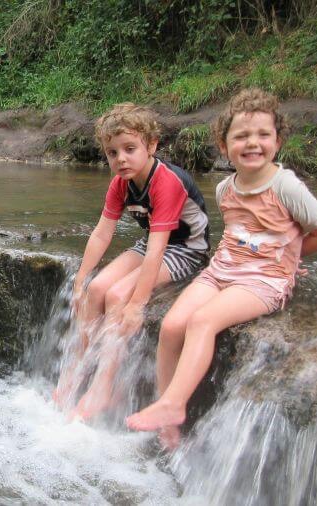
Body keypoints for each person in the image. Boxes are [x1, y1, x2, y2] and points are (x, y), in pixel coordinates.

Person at [125, 88, 317, 448]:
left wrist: (288, 261)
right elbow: (237, 235)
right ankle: (166, 410)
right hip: (221, 270)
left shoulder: (285, 186)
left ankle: (175, 405)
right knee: (173, 324)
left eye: (263, 135)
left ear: (278, 141)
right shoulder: (225, 189)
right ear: (224, 146)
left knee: (202, 321)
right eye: (241, 136)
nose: (253, 143)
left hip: (263, 280)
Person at [55, 103, 211, 421]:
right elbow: (101, 234)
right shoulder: (121, 184)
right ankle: (77, 369)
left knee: (117, 295)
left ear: (151, 146)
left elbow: (158, 251)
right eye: (112, 153)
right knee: (98, 288)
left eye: (129, 149)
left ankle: (105, 387)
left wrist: (137, 304)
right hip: (151, 241)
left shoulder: (166, 182)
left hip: (186, 250)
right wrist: (81, 279)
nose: (121, 159)